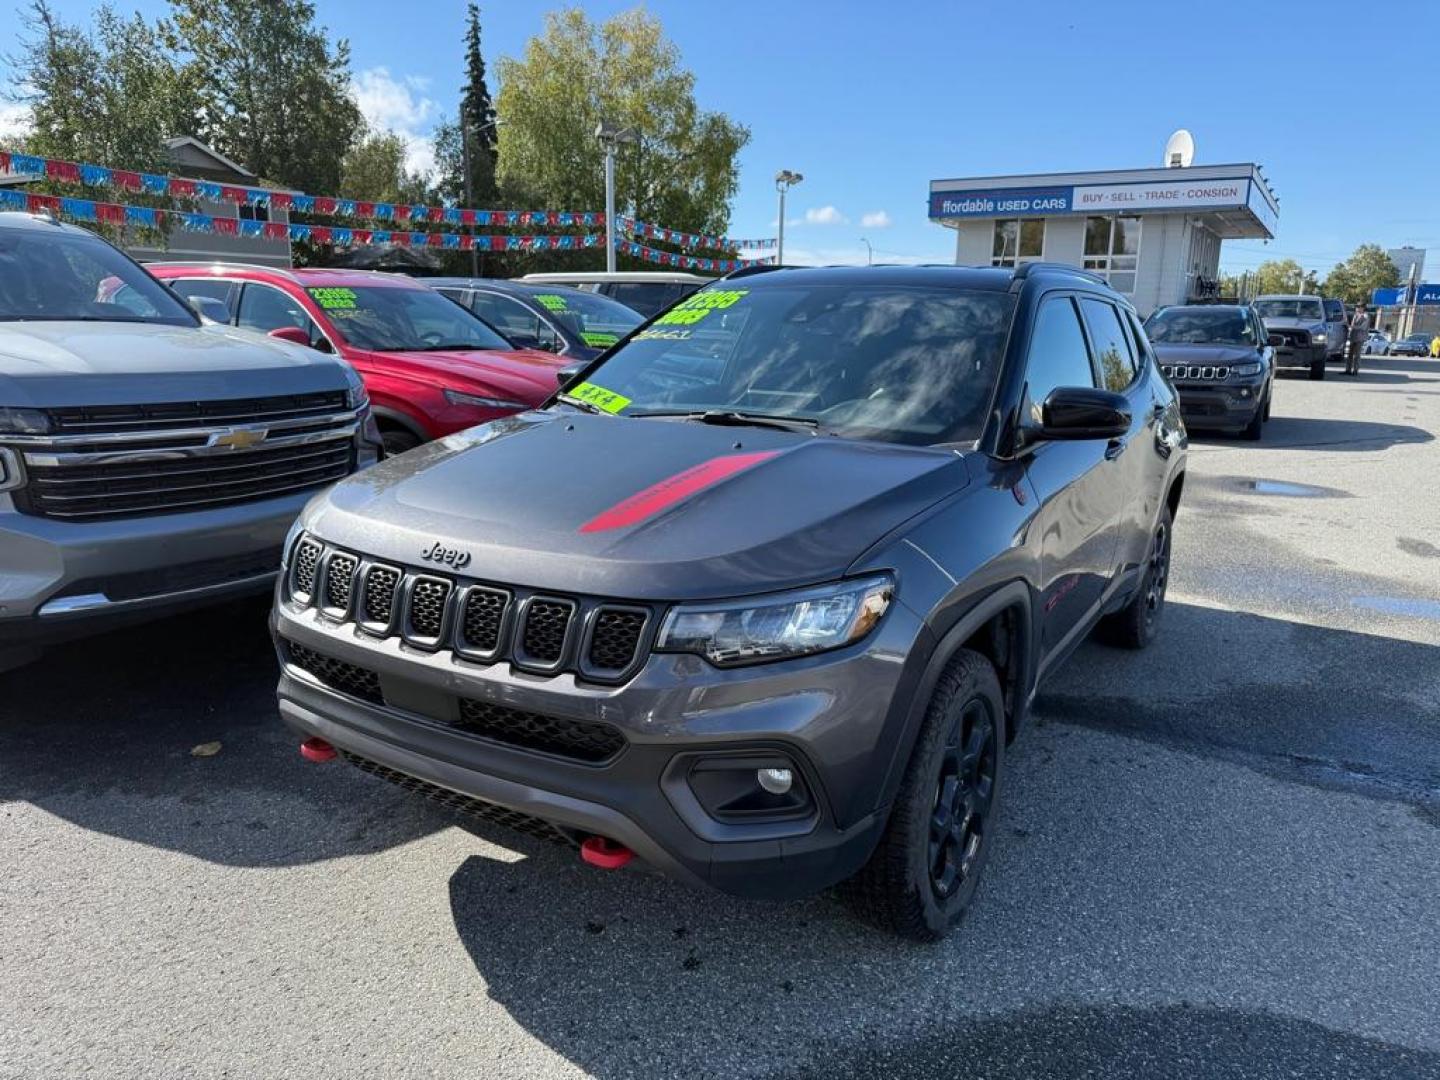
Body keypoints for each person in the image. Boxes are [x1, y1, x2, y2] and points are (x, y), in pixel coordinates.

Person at [1345, 303, 1369, 376]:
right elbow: (1352, 326)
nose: (1357, 308)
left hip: (1360, 338)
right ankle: (1348, 370)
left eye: (1358, 307)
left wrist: (1350, 326)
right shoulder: (1355, 315)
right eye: (1356, 307)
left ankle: (1355, 371)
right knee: (1350, 354)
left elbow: (1362, 327)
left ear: (1363, 308)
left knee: (1357, 355)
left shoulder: (1366, 316)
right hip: (1353, 337)